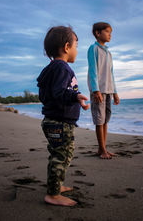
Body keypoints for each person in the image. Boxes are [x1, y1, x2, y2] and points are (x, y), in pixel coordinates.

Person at [37, 26, 89, 207]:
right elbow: (61, 92)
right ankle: (53, 194)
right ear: (67, 47)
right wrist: (74, 97)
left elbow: (48, 94)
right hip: (60, 122)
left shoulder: (51, 69)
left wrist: (77, 98)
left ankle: (56, 186)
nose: (77, 50)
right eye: (76, 45)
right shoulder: (62, 68)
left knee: (57, 154)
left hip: (51, 121)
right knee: (62, 155)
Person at [87, 22, 120, 159]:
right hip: (98, 90)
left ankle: (103, 148)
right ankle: (101, 149)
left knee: (105, 120)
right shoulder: (93, 49)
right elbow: (93, 70)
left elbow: (111, 74)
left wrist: (115, 92)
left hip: (108, 90)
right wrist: (96, 90)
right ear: (97, 33)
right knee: (99, 120)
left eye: (110, 32)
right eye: (107, 31)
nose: (110, 34)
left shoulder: (109, 53)